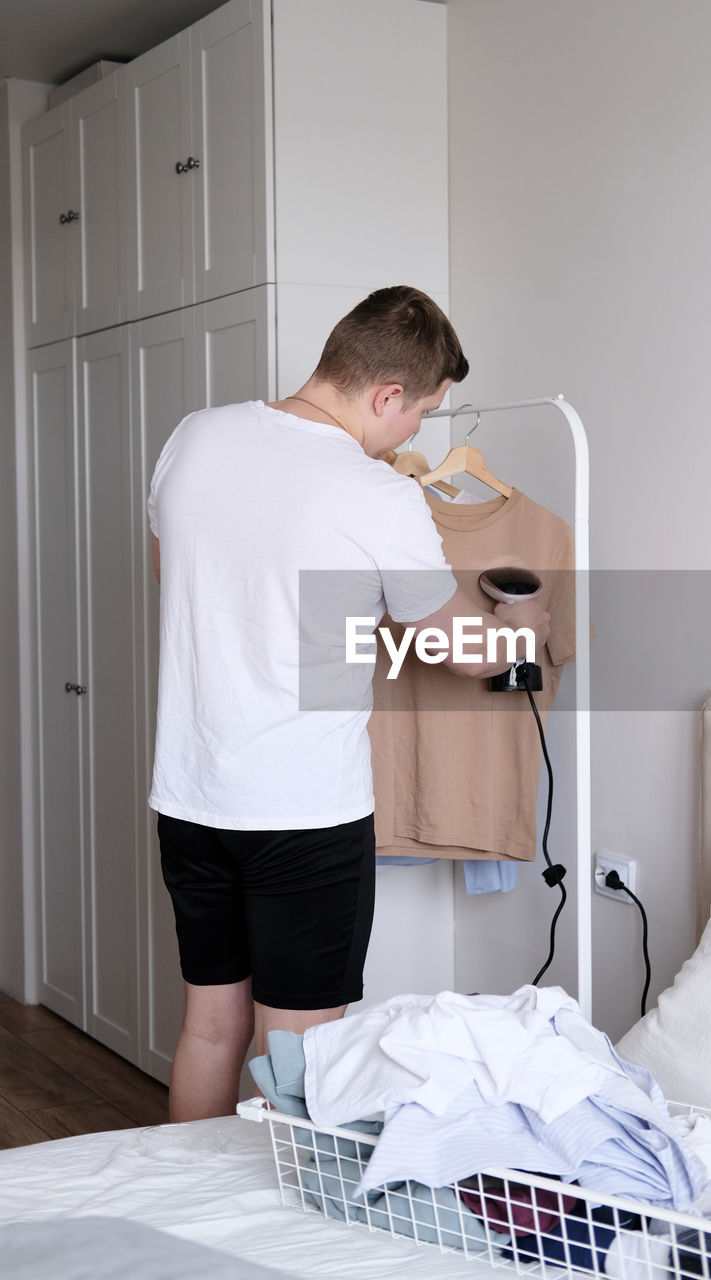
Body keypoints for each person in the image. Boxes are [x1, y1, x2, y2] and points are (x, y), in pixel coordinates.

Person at [148, 285, 550, 1121]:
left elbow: (178, 573)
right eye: (422, 415)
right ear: (387, 394)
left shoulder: (195, 436)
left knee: (211, 1026)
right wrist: (524, 623)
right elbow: (460, 651)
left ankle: (183, 1222)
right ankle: (282, 1239)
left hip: (190, 799)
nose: (410, 437)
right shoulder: (376, 495)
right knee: (295, 1045)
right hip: (301, 814)